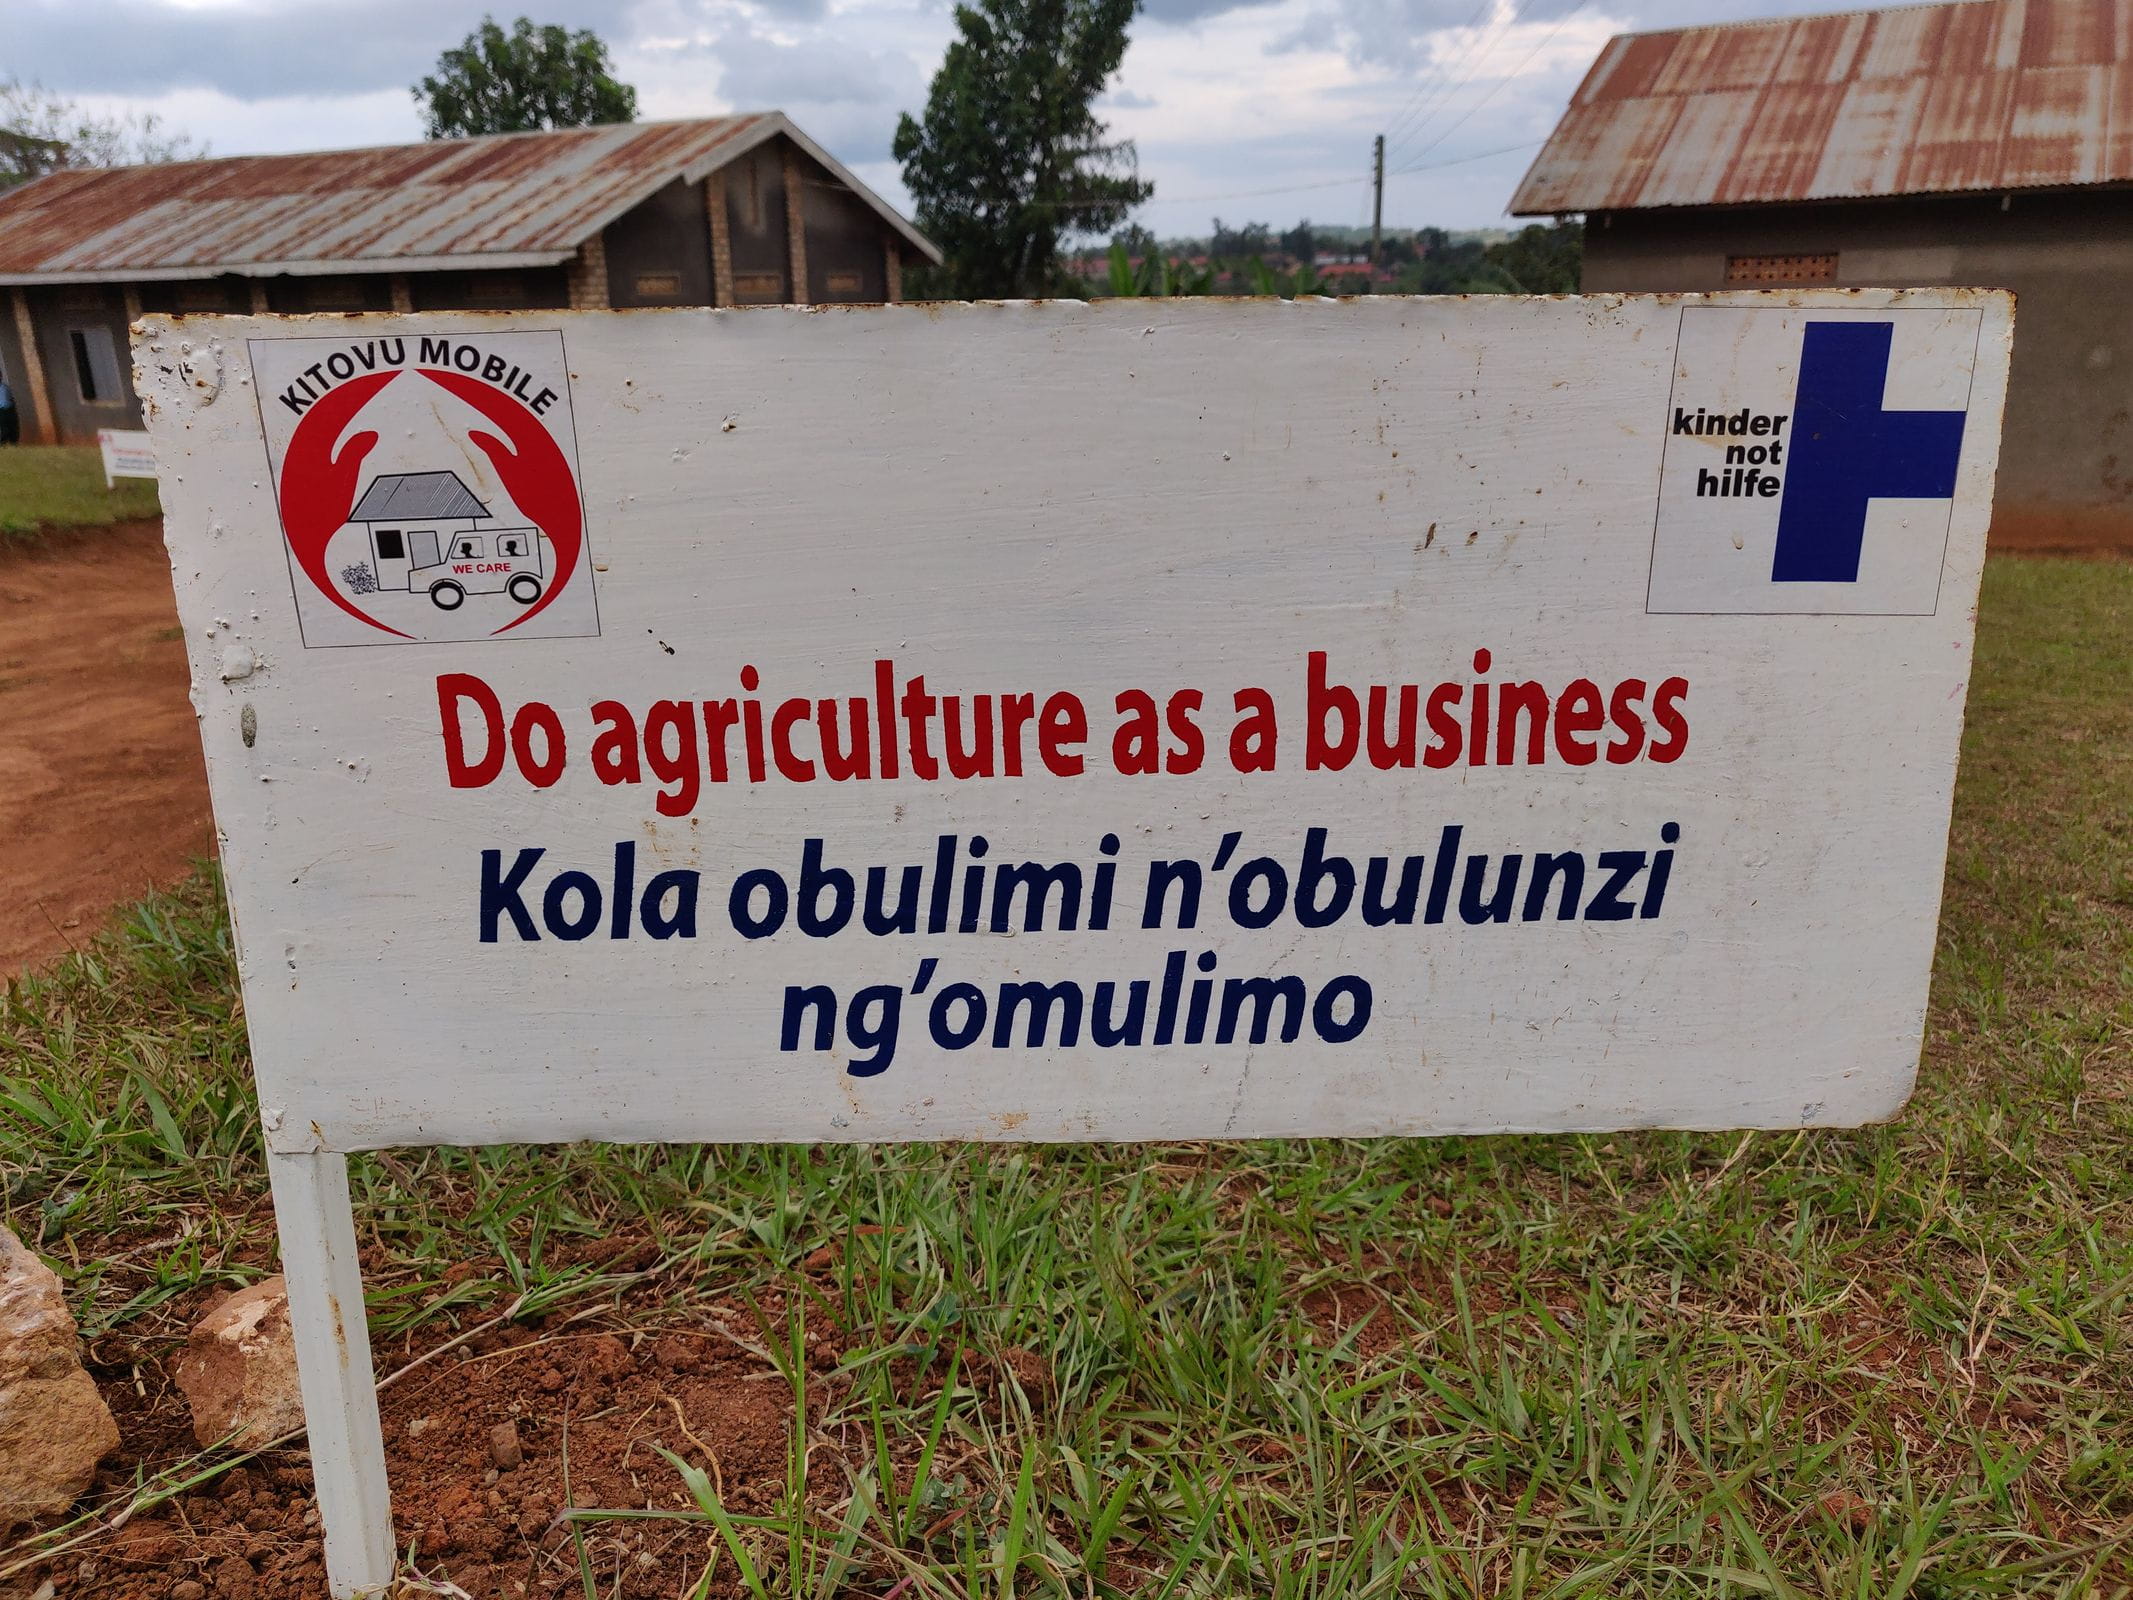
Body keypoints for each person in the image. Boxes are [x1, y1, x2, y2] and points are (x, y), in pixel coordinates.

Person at [0, 375, 17, 445]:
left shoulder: (5, 387)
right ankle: (3, 444)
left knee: (12, 430)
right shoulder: (5, 387)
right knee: (4, 430)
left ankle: (12, 444)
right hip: (2, 411)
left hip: (9, 410)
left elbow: (11, 399)